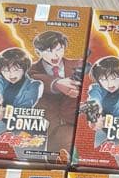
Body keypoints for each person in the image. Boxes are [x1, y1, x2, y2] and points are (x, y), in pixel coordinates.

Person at [30, 30, 83, 158]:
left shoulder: (79, 65)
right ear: (38, 52)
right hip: (45, 129)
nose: (55, 55)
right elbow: (33, 78)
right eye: (49, 51)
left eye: (59, 49)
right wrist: (56, 83)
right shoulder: (29, 70)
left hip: (74, 126)